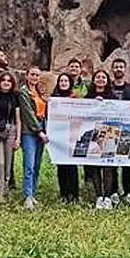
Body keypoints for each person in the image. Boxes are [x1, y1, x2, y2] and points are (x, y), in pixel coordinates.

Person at [109, 57, 130, 204]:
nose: (118, 69)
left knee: (126, 162)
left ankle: (127, 191)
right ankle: (114, 190)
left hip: (127, 130)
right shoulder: (107, 88)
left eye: (121, 67)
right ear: (112, 69)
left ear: (125, 69)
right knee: (111, 162)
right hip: (110, 129)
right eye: (116, 67)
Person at [18, 66, 50, 210]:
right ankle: (27, 196)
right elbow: (28, 114)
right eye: (32, 74)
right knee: (29, 165)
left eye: (37, 75)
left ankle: (33, 193)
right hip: (30, 132)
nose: (35, 77)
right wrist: (39, 131)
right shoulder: (24, 92)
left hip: (41, 130)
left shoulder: (39, 92)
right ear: (27, 76)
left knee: (37, 165)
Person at [86, 70, 117, 209]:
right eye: (98, 77)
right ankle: (99, 196)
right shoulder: (88, 96)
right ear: (93, 80)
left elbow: (121, 112)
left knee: (108, 166)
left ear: (107, 80)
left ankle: (108, 196)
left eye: (103, 77)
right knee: (94, 167)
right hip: (93, 135)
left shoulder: (113, 97)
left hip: (109, 134)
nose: (100, 79)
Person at [0, 72, 21, 204]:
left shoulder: (15, 97)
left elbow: (18, 119)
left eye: (9, 81)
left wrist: (18, 138)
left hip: (11, 131)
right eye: (4, 80)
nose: (6, 83)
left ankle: (5, 192)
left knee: (8, 165)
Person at [49, 73, 79, 203]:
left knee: (72, 166)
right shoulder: (53, 99)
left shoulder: (76, 99)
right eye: (61, 81)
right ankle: (64, 194)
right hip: (58, 137)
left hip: (72, 135)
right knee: (61, 166)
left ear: (70, 83)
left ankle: (74, 194)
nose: (63, 83)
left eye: (66, 81)